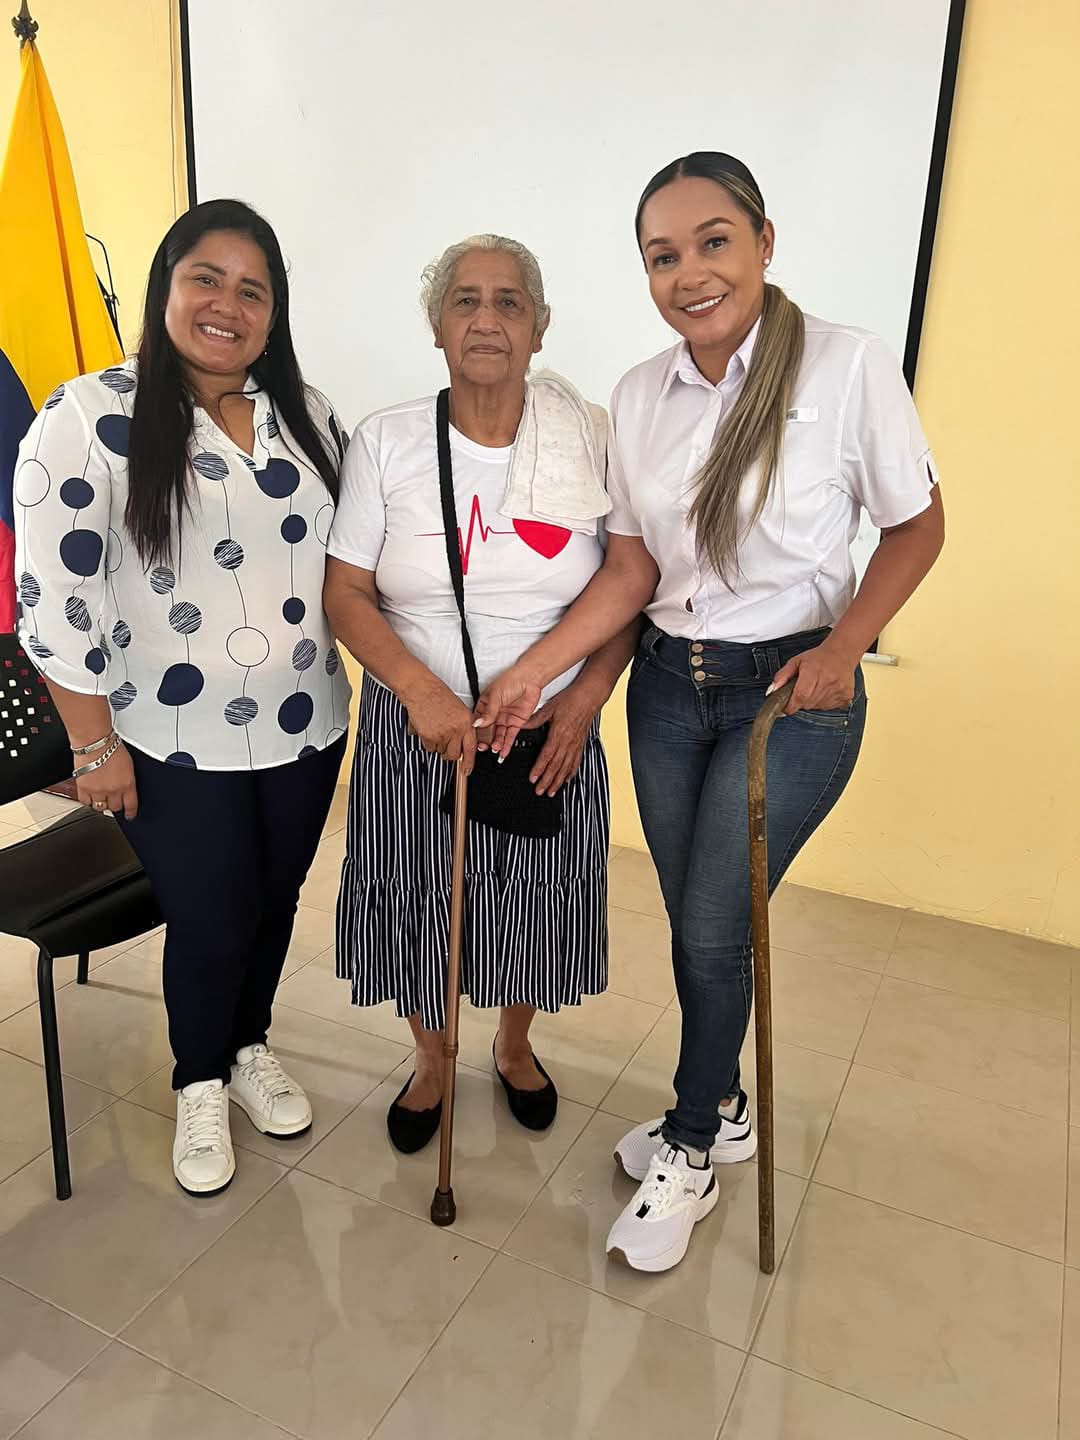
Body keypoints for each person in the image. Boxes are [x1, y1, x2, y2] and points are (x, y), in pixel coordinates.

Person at [475, 153, 944, 1272]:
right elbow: (632, 571)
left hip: (792, 694)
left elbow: (917, 525)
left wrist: (844, 646)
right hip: (668, 689)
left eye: (714, 242)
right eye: (663, 255)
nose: (690, 273)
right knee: (698, 923)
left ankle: (690, 1143)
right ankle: (724, 1106)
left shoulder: (845, 365)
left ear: (765, 243)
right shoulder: (640, 396)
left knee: (712, 926)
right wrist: (540, 671)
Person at [14, 199, 351, 1196]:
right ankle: (199, 1077)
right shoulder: (88, 417)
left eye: (254, 289)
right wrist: (91, 746)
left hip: (307, 722)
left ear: (274, 312)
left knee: (275, 899)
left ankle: (247, 1046)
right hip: (167, 737)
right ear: (165, 285)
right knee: (210, 915)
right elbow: (54, 596)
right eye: (206, 277)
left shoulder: (307, 415)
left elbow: (353, 563)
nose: (227, 305)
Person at [325, 234, 635, 1153]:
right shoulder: (386, 441)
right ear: (437, 327)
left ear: (540, 327)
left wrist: (586, 698)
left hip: (551, 728)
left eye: (509, 302)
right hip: (414, 728)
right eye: (465, 300)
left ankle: (512, 1044)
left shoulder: (589, 440)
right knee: (420, 895)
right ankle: (430, 1059)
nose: (487, 319)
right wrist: (419, 690)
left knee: (531, 896)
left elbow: (629, 587)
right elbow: (346, 593)